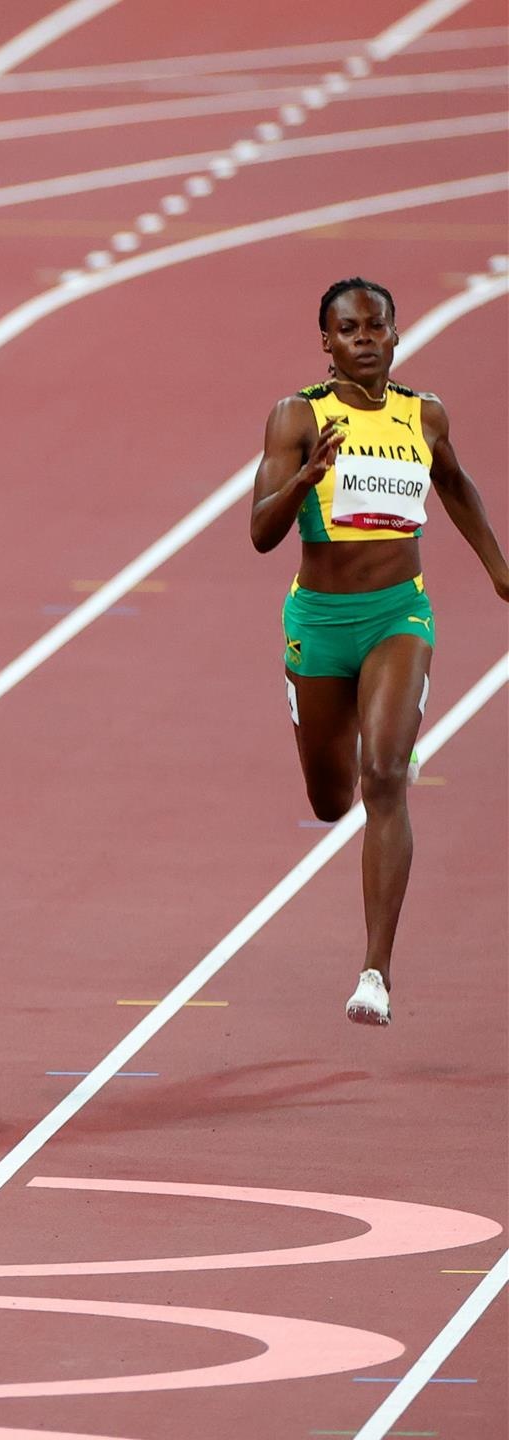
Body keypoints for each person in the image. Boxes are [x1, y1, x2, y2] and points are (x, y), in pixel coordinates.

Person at [249, 277, 509, 1026]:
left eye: (376, 326)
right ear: (326, 343)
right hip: (321, 623)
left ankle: (374, 972)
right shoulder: (298, 415)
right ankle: (352, 723)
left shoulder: (423, 415)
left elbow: (456, 485)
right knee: (331, 802)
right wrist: (306, 477)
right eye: (348, 328)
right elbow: (262, 533)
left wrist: (499, 572)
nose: (364, 338)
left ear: (396, 335)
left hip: (400, 613)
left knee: (384, 777)